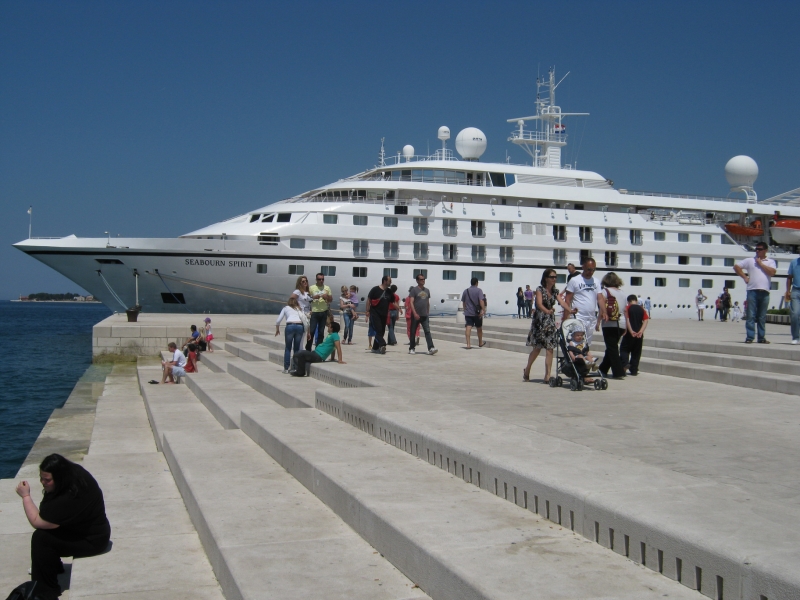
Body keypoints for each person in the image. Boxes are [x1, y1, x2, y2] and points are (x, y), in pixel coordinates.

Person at [16, 454, 111, 599]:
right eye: (41, 477)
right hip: (90, 530)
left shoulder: (69, 498)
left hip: (92, 540)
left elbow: (36, 520)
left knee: (41, 538)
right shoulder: (75, 473)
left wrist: (26, 496)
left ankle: (46, 592)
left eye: (47, 480)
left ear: (59, 477)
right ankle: (52, 566)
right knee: (47, 533)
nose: (42, 482)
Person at [523, 268, 572, 382]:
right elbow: (539, 304)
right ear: (546, 278)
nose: (554, 279)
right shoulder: (540, 289)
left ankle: (547, 375)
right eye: (552, 277)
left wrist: (570, 310)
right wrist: (547, 311)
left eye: (555, 277)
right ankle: (527, 369)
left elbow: (562, 302)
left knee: (550, 348)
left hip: (549, 322)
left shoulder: (555, 291)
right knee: (537, 349)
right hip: (539, 322)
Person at [734, 242, 777, 343]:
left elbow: (772, 272)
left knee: (762, 316)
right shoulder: (750, 260)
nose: (757, 251)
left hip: (765, 291)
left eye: (760, 249)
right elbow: (736, 267)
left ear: (765, 250)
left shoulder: (770, 261)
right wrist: (745, 277)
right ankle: (750, 337)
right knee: (751, 315)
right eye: (756, 249)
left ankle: (761, 337)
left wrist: (760, 264)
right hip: (752, 290)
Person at [597, 272, 627, 378]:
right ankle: (603, 369)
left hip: (609, 323)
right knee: (612, 347)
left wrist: (598, 322)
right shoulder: (623, 293)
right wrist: (627, 326)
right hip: (621, 322)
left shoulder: (604, 292)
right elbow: (625, 311)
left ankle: (619, 372)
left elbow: (602, 309)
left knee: (612, 348)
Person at [564, 258, 598, 346]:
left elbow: (600, 298)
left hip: (591, 317)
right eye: (589, 269)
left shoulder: (596, 281)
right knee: (578, 341)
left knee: (587, 343)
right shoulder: (574, 280)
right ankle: (576, 358)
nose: (591, 272)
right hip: (578, 316)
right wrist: (566, 315)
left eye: (593, 269)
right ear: (583, 267)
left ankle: (584, 358)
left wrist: (603, 312)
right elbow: (568, 299)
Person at [275, 297, 307, 374]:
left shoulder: (285, 308)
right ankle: (295, 367)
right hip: (300, 326)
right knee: (296, 348)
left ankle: (286, 368)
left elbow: (278, 320)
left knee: (288, 348)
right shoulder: (299, 309)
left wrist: (277, 329)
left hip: (290, 326)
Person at [408, 274, 437, 355]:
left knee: (427, 331)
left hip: (424, 315)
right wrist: (414, 313)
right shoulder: (414, 290)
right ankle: (412, 348)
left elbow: (427, 302)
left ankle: (431, 348)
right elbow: (411, 302)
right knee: (413, 331)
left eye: (424, 279)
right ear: (417, 281)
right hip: (416, 315)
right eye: (421, 279)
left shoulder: (427, 290)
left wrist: (428, 312)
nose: (423, 281)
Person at [620, 295, 648, 376]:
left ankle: (625, 364)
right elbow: (646, 320)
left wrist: (631, 331)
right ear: (636, 300)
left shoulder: (627, 308)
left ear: (628, 301)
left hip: (629, 333)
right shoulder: (642, 309)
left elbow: (627, 320)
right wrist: (641, 331)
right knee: (636, 352)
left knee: (624, 349)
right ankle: (634, 369)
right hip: (639, 335)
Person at [367, 275, 392, 354]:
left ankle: (375, 348)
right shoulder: (375, 289)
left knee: (382, 331)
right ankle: (382, 344)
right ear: (385, 281)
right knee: (378, 330)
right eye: (389, 281)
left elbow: (393, 302)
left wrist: (399, 308)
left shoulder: (389, 291)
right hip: (375, 313)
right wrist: (367, 311)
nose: (390, 282)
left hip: (384, 314)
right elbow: (369, 300)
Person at [307, 273, 332, 350]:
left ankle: (318, 349)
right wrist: (313, 297)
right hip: (314, 312)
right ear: (316, 280)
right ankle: (308, 348)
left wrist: (326, 297)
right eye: (319, 279)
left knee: (321, 332)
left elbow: (331, 300)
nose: (321, 281)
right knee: (312, 331)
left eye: (322, 279)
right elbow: (306, 298)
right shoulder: (312, 288)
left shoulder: (327, 288)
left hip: (323, 311)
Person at [461, 277, 486, 349]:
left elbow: (464, 302)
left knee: (468, 327)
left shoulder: (466, 291)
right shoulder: (479, 290)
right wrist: (483, 310)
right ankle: (480, 342)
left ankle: (468, 344)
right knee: (479, 328)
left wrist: (465, 309)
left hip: (468, 312)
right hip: (477, 313)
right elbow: (481, 300)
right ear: (476, 283)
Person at [785, 254, 800, 344]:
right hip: (796, 290)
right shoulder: (794, 262)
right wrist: (788, 291)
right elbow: (789, 277)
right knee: (794, 314)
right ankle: (795, 337)